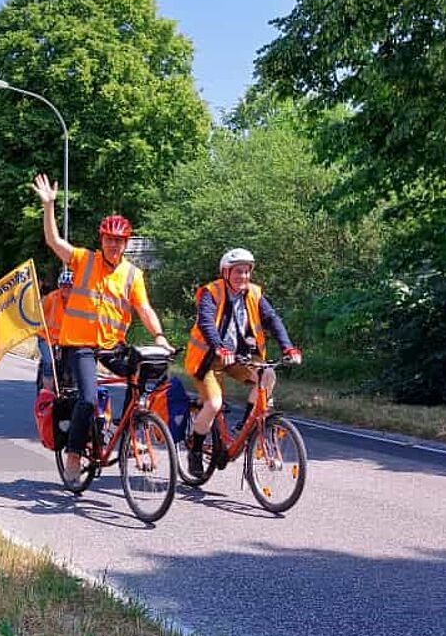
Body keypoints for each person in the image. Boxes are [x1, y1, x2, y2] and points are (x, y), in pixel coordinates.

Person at [31, 173, 172, 483]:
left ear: (125, 244)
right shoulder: (84, 260)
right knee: (89, 399)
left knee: (147, 371)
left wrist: (159, 337)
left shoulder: (133, 275)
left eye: (119, 241)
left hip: (111, 345)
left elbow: (144, 309)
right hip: (78, 344)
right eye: (109, 240)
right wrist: (49, 206)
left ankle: (132, 426)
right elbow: (54, 241)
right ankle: (73, 454)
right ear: (102, 241)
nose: (113, 245)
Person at [184, 247, 302, 477]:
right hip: (208, 359)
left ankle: (245, 426)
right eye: (238, 271)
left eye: (247, 272)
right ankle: (195, 451)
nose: (244, 277)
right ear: (226, 272)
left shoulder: (254, 294)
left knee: (267, 375)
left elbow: (272, 319)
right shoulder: (211, 292)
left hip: (239, 358)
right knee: (214, 404)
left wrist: (288, 346)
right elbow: (207, 322)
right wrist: (219, 346)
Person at [37, 267, 73, 391]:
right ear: (59, 285)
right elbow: (38, 313)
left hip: (66, 340)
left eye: (69, 286)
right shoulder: (51, 298)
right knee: (49, 363)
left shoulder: (78, 302)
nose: (66, 289)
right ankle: (46, 394)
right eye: (63, 285)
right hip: (46, 337)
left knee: (73, 364)